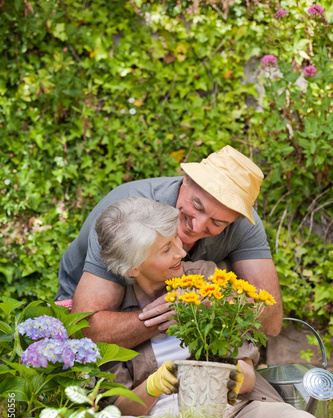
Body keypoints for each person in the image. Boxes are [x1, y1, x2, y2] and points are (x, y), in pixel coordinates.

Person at [91, 196, 333, 418]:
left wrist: (239, 377)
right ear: (133, 268)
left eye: (175, 240)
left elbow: (248, 367)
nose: (181, 251)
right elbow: (119, 409)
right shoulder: (114, 322)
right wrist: (153, 385)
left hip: (234, 415)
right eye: (167, 249)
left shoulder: (205, 277)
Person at [56, 145, 283, 347]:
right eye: (197, 206)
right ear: (185, 181)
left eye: (217, 223)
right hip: (102, 310)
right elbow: (85, 327)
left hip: (169, 314)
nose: (197, 226)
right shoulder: (127, 215)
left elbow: (271, 321)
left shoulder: (244, 224)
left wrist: (213, 301)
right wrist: (179, 310)